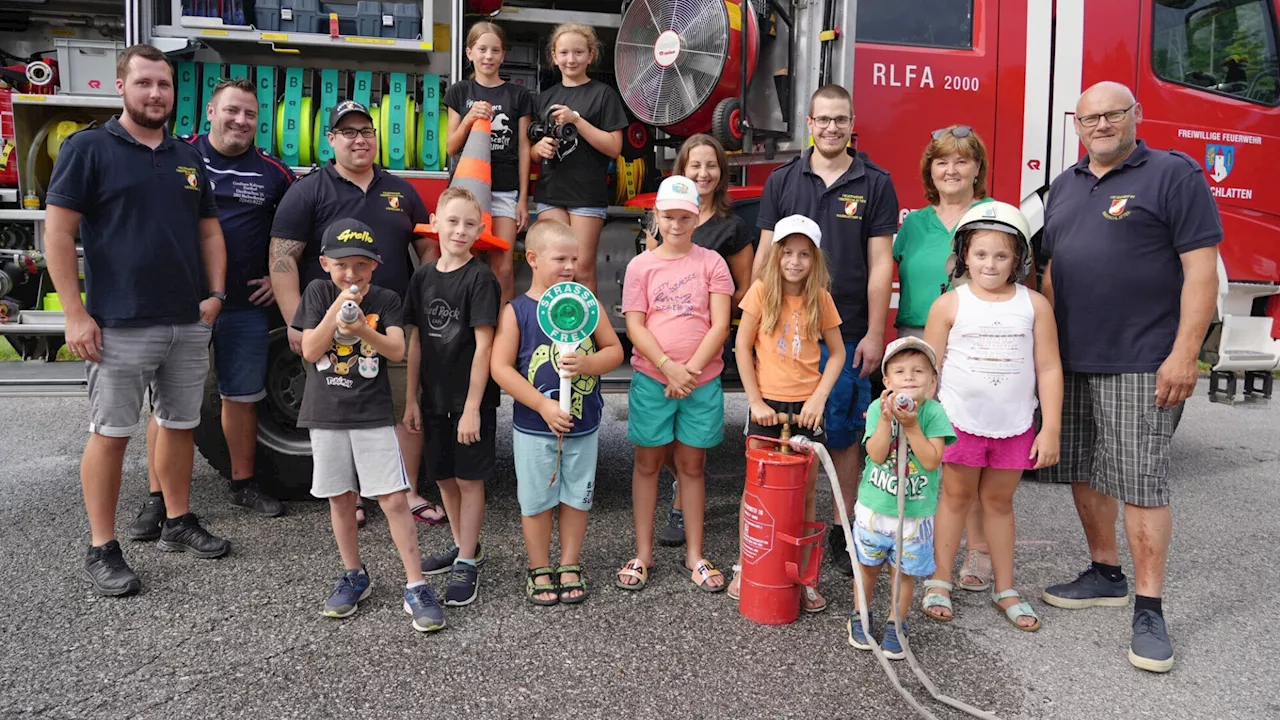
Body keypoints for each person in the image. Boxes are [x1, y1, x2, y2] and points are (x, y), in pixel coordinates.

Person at [1038, 81, 1221, 673]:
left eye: (1113, 114)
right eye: (1089, 117)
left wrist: (1185, 353)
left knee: (1142, 482)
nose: (1101, 125)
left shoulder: (1173, 174)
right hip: (1072, 359)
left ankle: (1149, 607)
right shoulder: (1062, 188)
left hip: (1145, 360)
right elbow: (1050, 278)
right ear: (1076, 124)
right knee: (1085, 471)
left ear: (1135, 116)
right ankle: (1105, 572)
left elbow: (1201, 273)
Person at [45, 44, 231, 596]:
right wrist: (75, 314)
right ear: (122, 85)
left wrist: (216, 293)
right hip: (118, 322)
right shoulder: (88, 148)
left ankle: (177, 520)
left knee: (179, 425)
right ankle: (102, 547)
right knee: (111, 435)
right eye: (145, 83)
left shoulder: (186, 155)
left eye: (164, 85)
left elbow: (208, 232)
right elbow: (57, 233)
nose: (156, 94)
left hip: (186, 319)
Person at [126, 77, 295, 540]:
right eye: (231, 111)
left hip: (243, 306)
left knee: (242, 398)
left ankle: (242, 484)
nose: (240, 121)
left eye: (250, 114)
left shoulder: (274, 174)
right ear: (209, 113)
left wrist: (276, 275)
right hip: (181, 309)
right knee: (169, 407)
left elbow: (298, 228)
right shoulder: (176, 158)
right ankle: (157, 499)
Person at [269, 99, 445, 528]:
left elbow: (426, 248)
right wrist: (297, 321)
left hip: (393, 321)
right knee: (344, 412)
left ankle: (407, 490)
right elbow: (282, 258)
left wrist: (427, 301)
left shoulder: (400, 191)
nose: (359, 139)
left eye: (365, 131)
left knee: (406, 407)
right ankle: (354, 498)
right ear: (330, 140)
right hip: (334, 328)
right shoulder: (307, 191)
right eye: (347, 132)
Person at [753, 84, 900, 577]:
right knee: (786, 437)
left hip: (849, 330)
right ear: (809, 124)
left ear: (852, 122)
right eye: (823, 120)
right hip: (783, 334)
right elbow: (766, 253)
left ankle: (841, 529)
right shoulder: (782, 179)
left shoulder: (876, 182)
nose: (832, 128)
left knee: (839, 437)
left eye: (841, 120)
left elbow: (881, 265)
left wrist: (876, 333)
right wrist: (754, 321)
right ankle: (791, 521)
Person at [291, 217, 443, 633]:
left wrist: (360, 328)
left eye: (360, 265)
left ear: (375, 266)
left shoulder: (388, 299)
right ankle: (354, 574)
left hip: (372, 414)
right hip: (326, 415)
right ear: (324, 263)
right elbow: (309, 349)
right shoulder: (318, 292)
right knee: (340, 498)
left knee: (393, 499)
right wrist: (335, 316)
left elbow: (396, 348)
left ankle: (416, 584)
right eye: (341, 264)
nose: (351, 274)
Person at [919, 201, 1062, 632]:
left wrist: (1050, 427)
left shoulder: (1034, 305)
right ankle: (940, 579)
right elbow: (929, 371)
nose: (990, 264)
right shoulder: (948, 305)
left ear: (1019, 259)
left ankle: (1006, 588)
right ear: (964, 254)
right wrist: (920, 423)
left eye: (1001, 256)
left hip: (1015, 425)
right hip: (960, 422)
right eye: (980, 254)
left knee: (999, 503)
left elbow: (1049, 367)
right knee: (956, 498)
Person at [490, 219, 624, 605]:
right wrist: (542, 404)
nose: (570, 267)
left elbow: (614, 351)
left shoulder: (587, 303)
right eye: (560, 258)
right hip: (534, 427)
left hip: (583, 426)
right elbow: (500, 368)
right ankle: (538, 567)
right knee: (535, 502)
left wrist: (587, 364)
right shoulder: (516, 312)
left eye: (575, 259)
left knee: (577, 499)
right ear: (532, 258)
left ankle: (569, 563)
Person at [616, 176, 733, 593]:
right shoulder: (641, 265)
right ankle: (644, 553)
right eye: (669, 217)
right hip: (654, 379)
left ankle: (695, 553)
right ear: (657, 217)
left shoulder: (712, 263)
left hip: (700, 382)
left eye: (685, 216)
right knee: (647, 464)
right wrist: (669, 367)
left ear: (698, 216)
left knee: (692, 467)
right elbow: (635, 323)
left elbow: (720, 324)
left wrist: (691, 371)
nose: (677, 224)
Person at [893, 125, 995, 592]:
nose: (951, 169)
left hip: (975, 342)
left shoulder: (994, 216)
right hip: (917, 341)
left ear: (978, 168)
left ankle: (978, 551)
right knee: (916, 445)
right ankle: (914, 539)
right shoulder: (913, 224)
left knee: (964, 450)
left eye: (961, 160)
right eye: (941, 162)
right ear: (929, 171)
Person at [645, 134, 756, 549]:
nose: (703, 173)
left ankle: (679, 503)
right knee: (667, 432)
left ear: (722, 172)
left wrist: (706, 341)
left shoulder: (733, 225)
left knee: (692, 436)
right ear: (682, 170)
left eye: (711, 166)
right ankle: (680, 487)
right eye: (695, 166)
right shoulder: (666, 219)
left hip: (706, 349)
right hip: (663, 354)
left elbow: (744, 288)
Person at [732, 214, 844, 611]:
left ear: (814, 260)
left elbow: (838, 354)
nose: (795, 262)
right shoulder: (762, 292)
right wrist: (755, 401)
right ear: (776, 255)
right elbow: (742, 348)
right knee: (757, 493)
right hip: (767, 404)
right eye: (788, 253)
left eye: (804, 254)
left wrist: (818, 399)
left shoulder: (821, 299)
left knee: (807, 493)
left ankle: (804, 573)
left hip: (806, 408)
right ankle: (748, 566)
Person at [404, 187, 503, 608]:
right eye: (452, 221)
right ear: (435, 222)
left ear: (480, 230)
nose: (460, 231)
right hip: (433, 397)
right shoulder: (423, 277)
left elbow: (485, 347)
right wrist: (410, 399)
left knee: (469, 478)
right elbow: (415, 341)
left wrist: (472, 410)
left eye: (468, 224)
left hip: (469, 403)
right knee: (443, 475)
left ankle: (466, 560)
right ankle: (467, 546)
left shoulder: (481, 279)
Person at [845, 337, 955, 660]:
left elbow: (932, 459)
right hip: (875, 509)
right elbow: (876, 454)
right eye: (901, 371)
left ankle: (896, 622)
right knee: (867, 567)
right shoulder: (879, 409)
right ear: (887, 381)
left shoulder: (934, 414)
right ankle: (860, 616)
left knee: (903, 573)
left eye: (919, 371)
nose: (909, 377)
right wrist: (885, 420)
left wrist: (912, 427)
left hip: (914, 514)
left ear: (933, 383)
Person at [529, 22, 629, 295]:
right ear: (554, 56)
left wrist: (576, 120)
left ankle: (588, 337)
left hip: (587, 194)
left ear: (590, 55)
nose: (570, 59)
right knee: (552, 269)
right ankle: (549, 334)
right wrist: (540, 149)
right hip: (551, 192)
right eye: (564, 53)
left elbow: (614, 147)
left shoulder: (604, 95)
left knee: (582, 269)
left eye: (578, 52)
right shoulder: (544, 99)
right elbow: (530, 152)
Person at [444, 20, 534, 304]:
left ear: (503, 55)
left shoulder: (518, 95)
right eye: (481, 49)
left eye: (495, 50)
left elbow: (523, 147)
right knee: (469, 262)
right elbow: (451, 146)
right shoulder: (460, 92)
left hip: (505, 191)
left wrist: (522, 199)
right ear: (469, 52)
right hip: (466, 193)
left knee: (503, 267)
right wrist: (470, 118)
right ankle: (471, 331)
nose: (488, 56)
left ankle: (503, 336)